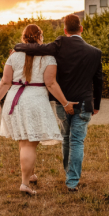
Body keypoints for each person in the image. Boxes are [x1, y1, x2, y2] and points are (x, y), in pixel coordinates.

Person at [14, 14, 103, 192]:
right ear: (81, 29)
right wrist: (97, 104)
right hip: (85, 103)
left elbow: (37, 49)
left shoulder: (60, 44)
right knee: (77, 141)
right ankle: (72, 181)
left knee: (67, 139)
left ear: (64, 30)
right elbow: (98, 80)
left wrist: (18, 46)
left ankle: (68, 173)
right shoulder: (95, 52)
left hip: (64, 103)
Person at [0, 24, 77, 196]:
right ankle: (24, 183)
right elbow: (51, 84)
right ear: (40, 37)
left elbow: (5, 81)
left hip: (14, 101)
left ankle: (30, 175)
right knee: (29, 143)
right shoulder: (49, 58)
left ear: (24, 38)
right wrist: (65, 103)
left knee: (24, 140)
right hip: (35, 101)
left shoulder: (14, 56)